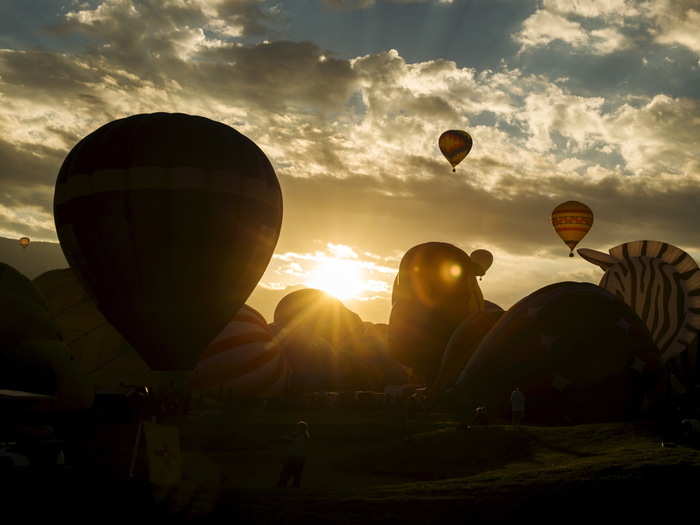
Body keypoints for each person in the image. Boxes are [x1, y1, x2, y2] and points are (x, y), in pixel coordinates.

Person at [277, 421, 310, 488]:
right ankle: (293, 485)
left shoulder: (300, 436)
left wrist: (282, 439)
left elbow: (289, 440)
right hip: (300, 458)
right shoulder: (304, 436)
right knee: (296, 473)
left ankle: (283, 484)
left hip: (295, 457)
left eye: (298, 427)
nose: (296, 428)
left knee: (287, 471)